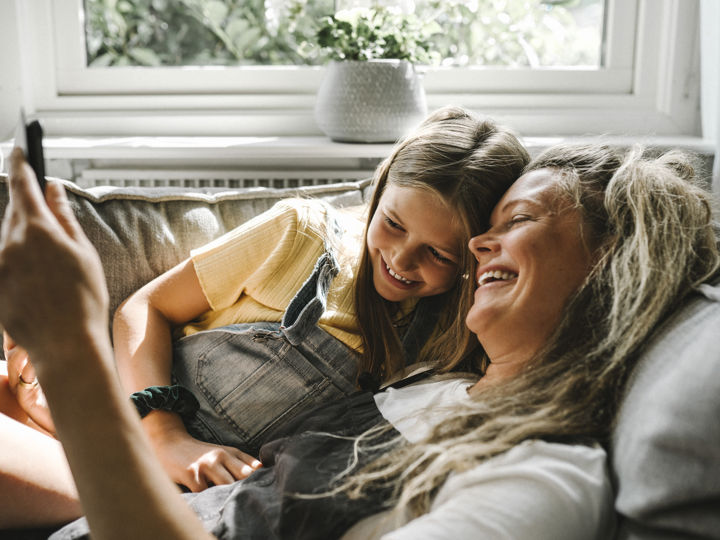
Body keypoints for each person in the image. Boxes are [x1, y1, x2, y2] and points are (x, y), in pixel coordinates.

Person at [1, 140, 717, 539]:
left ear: (613, 264)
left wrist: (71, 350)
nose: (477, 244)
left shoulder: (542, 477)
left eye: (519, 220)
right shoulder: (441, 375)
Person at [105, 105, 530, 491]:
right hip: (131, 430)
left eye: (438, 253)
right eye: (393, 223)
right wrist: (165, 436)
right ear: (380, 190)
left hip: (220, 494)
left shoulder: (456, 330)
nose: (401, 259)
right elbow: (144, 307)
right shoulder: (299, 235)